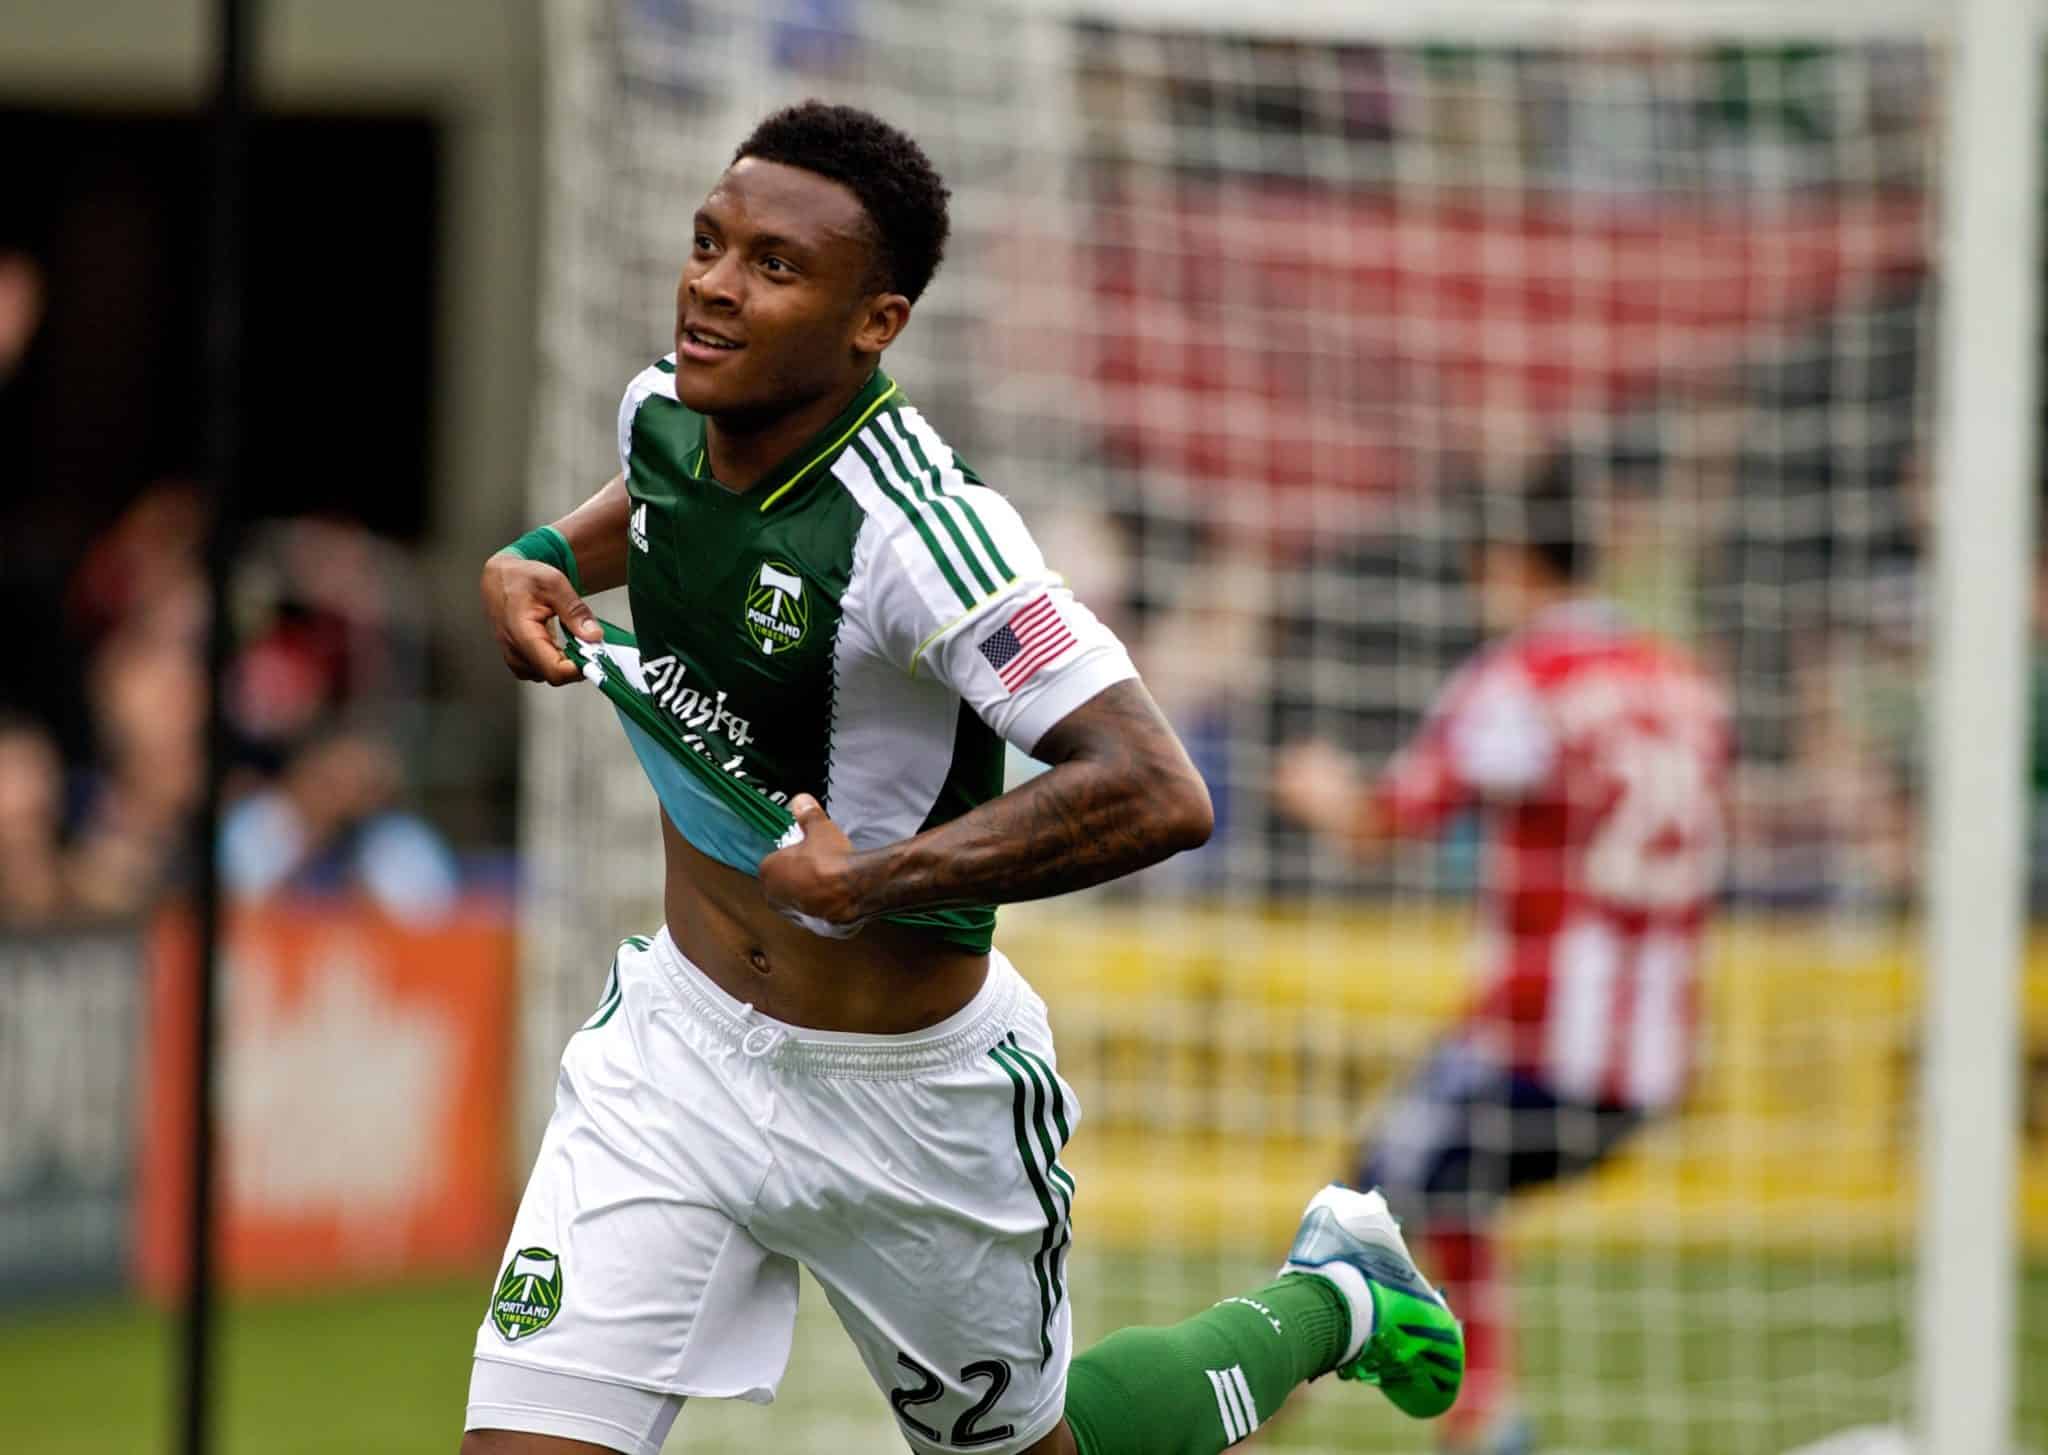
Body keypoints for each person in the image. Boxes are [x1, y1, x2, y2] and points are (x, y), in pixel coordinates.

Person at [467, 102, 1462, 1455]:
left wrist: (868, 878)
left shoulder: (926, 532)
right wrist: (529, 555)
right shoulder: (667, 403)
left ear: (875, 323)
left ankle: (1328, 1294)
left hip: (910, 1097)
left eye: (773, 265)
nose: (711, 282)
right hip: (676, 1050)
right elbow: (649, 504)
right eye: (709, 242)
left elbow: (1156, 785)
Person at [1275, 459, 1730, 1455]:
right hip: (1652, 1053)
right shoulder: (1681, 682)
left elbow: (1384, 820)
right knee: (1443, 1184)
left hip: (1537, 1043)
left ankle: (1248, 1421)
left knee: (1359, 1211)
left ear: (1508, 564)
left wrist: (1320, 791)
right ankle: (1485, 1415)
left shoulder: (1522, 680)